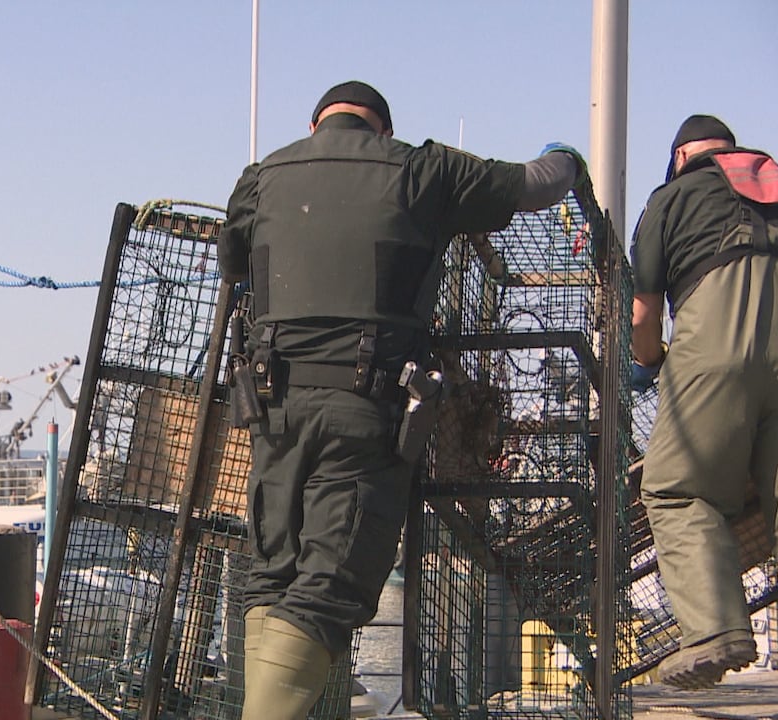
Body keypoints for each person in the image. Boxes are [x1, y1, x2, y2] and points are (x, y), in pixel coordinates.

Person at [218, 80, 582, 720]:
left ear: (315, 128)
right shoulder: (421, 169)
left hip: (271, 412)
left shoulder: (261, 176)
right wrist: (568, 160)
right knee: (329, 586)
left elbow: (232, 262)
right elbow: (535, 184)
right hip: (365, 412)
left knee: (272, 574)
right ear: (382, 131)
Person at [630, 114, 778, 718]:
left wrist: (650, 361)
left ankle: (715, 627)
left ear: (680, 157)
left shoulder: (670, 198)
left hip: (712, 347)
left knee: (675, 489)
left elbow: (645, 317)